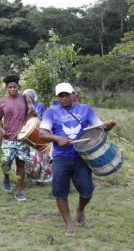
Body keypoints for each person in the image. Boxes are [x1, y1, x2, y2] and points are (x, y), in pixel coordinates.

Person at [39, 82, 116, 235]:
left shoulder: (85, 109)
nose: (64, 98)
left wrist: (108, 125)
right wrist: (57, 138)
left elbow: (98, 128)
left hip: (82, 157)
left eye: (67, 94)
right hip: (61, 158)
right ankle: (68, 223)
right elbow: (42, 134)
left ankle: (80, 208)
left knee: (87, 191)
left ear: (73, 94)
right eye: (61, 95)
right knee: (60, 192)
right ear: (57, 97)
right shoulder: (51, 112)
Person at [0, 75, 35, 201]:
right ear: (6, 88)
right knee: (6, 162)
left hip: (23, 138)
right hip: (8, 138)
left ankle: (19, 191)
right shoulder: (2, 102)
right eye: (9, 87)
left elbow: (33, 112)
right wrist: (1, 130)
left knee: (20, 165)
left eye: (14, 87)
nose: (12, 89)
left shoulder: (25, 98)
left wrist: (31, 111)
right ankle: (6, 177)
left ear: (19, 87)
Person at [23, 88, 52, 183]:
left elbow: (40, 118)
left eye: (28, 97)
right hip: (27, 134)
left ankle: (44, 176)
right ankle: (32, 175)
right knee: (30, 156)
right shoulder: (22, 106)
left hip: (39, 133)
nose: (26, 98)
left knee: (42, 154)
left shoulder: (39, 105)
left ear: (32, 97)